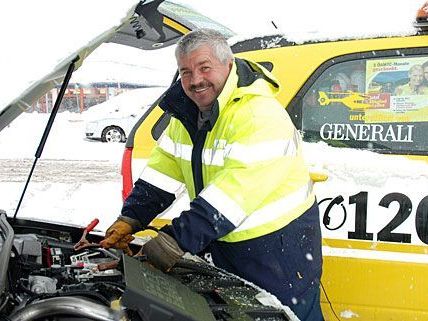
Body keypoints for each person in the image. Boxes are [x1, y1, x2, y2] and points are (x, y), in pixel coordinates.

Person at [100, 28, 323, 321]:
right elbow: (162, 171)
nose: (195, 80)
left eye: (204, 68)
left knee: (286, 316)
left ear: (228, 65)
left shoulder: (258, 116)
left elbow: (231, 198)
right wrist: (130, 218)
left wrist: (172, 242)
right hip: (226, 242)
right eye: (186, 71)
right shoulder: (188, 114)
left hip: (279, 250)